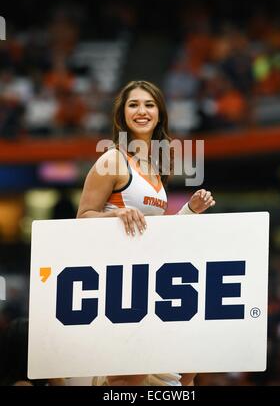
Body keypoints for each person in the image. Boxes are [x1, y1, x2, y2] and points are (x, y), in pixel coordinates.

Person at [77, 80, 215, 386]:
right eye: (134, 104)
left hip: (149, 278)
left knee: (184, 374)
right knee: (128, 380)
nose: (142, 111)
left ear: (159, 114)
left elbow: (154, 232)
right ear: (122, 115)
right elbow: (82, 218)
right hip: (118, 282)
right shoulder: (111, 160)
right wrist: (114, 218)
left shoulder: (155, 166)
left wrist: (189, 211)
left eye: (149, 105)